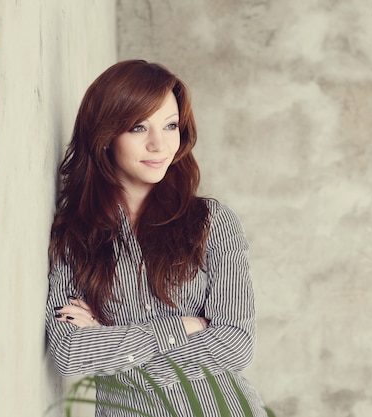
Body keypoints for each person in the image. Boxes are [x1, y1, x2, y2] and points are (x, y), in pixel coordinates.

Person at [45, 60, 267, 416]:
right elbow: (70, 354)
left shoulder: (212, 223)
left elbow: (235, 345)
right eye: (138, 127)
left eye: (170, 126)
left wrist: (112, 348)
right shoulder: (75, 236)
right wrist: (184, 326)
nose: (158, 144)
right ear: (105, 137)